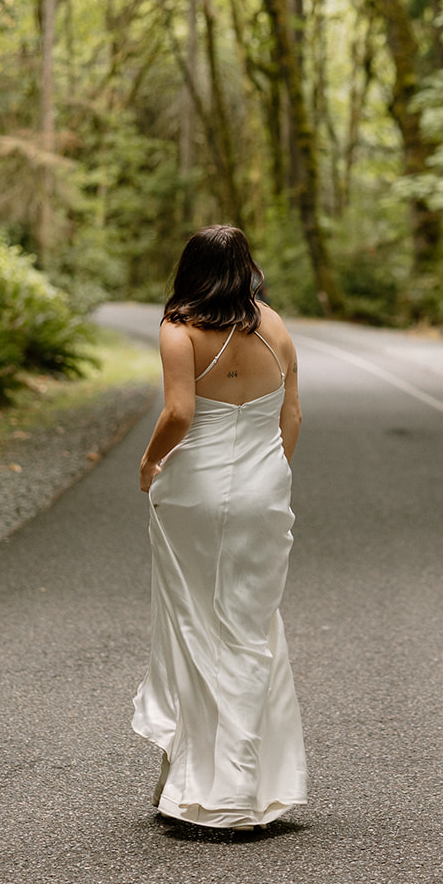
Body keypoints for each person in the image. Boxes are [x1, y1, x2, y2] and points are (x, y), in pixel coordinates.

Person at [133, 224, 307, 829]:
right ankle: (261, 787)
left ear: (190, 268)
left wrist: (152, 460)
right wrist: (269, 473)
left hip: (194, 495)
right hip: (264, 493)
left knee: (194, 621)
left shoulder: (179, 330)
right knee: (251, 625)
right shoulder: (274, 325)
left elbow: (180, 412)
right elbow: (293, 415)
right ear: (246, 266)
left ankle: (204, 788)